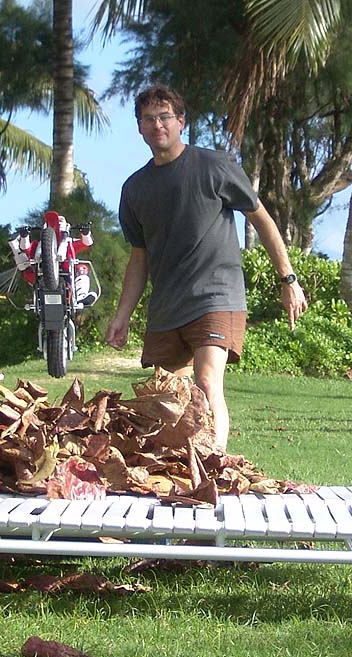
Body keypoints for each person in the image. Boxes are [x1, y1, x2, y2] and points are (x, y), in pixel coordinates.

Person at [106, 83, 308, 451]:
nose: (157, 125)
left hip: (216, 296)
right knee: (169, 397)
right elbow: (139, 258)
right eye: (148, 119)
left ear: (181, 121)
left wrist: (288, 278)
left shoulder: (215, 165)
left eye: (165, 116)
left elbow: (261, 218)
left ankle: (215, 464)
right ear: (139, 128)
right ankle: (181, 471)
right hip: (167, 308)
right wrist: (122, 315)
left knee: (207, 381)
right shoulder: (134, 189)